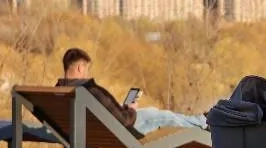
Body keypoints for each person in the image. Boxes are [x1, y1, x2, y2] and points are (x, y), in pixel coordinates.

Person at [57, 48, 206, 135]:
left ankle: (201, 121)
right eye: (87, 69)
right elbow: (124, 121)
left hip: (89, 131)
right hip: (117, 130)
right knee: (162, 116)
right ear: (80, 68)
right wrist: (131, 110)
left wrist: (123, 108)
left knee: (153, 112)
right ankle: (203, 121)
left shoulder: (58, 90)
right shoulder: (89, 90)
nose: (87, 73)